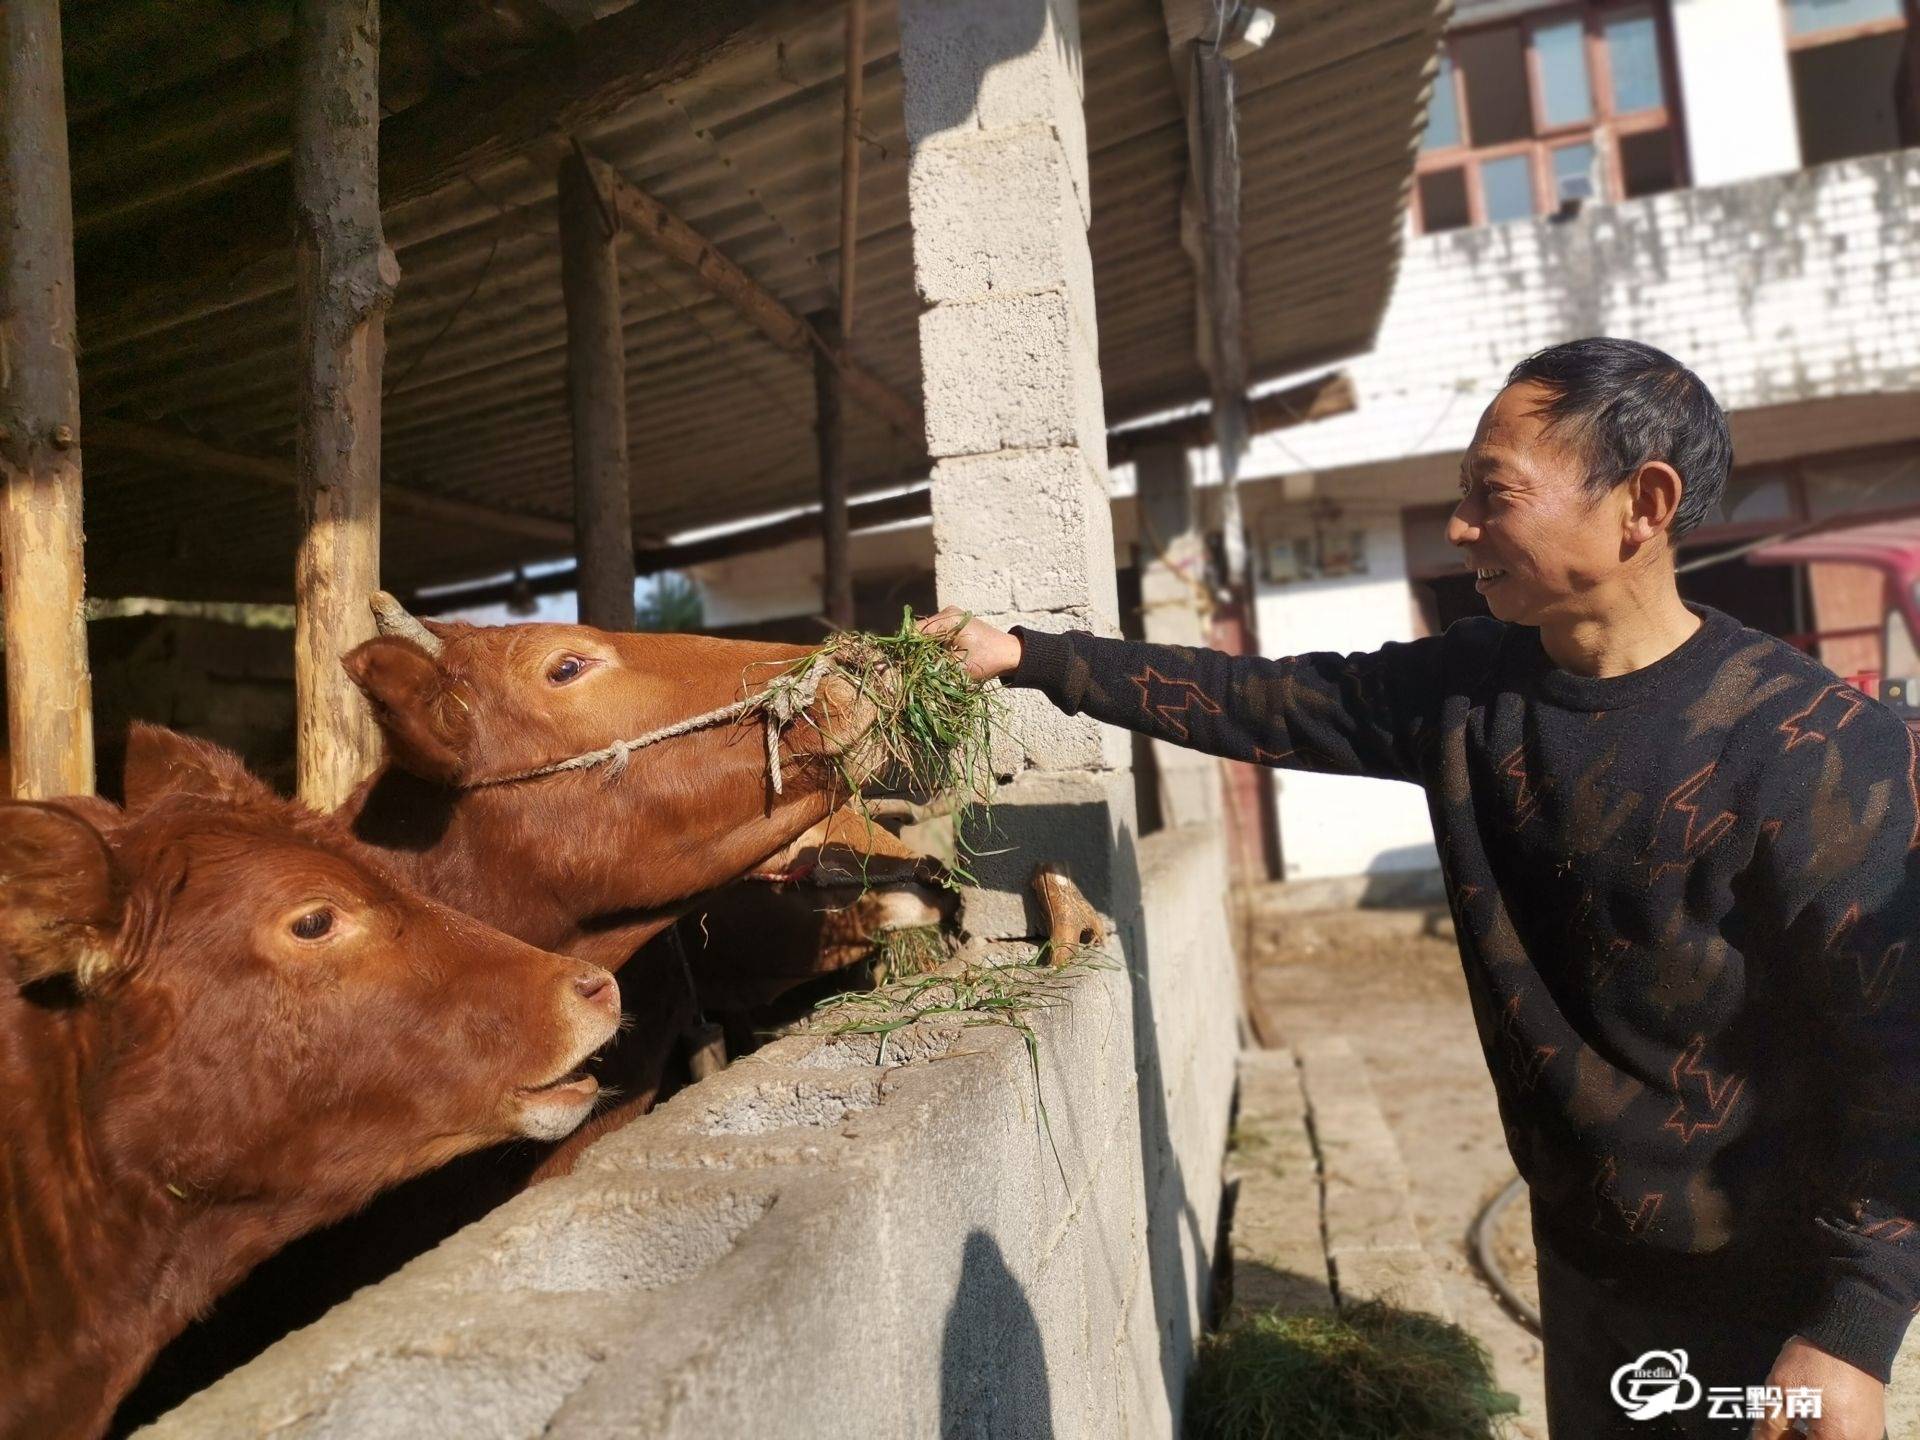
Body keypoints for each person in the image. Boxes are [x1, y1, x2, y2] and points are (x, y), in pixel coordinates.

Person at [923, 338, 1917, 1440]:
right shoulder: (1470, 692)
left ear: (1643, 504)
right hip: (1583, 1254)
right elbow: (1263, 699)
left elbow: (1896, 1051)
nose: (1459, 529)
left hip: (1766, 1283)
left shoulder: (1813, 747)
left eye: (1493, 497)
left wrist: (1852, 1331)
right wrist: (1027, 655)